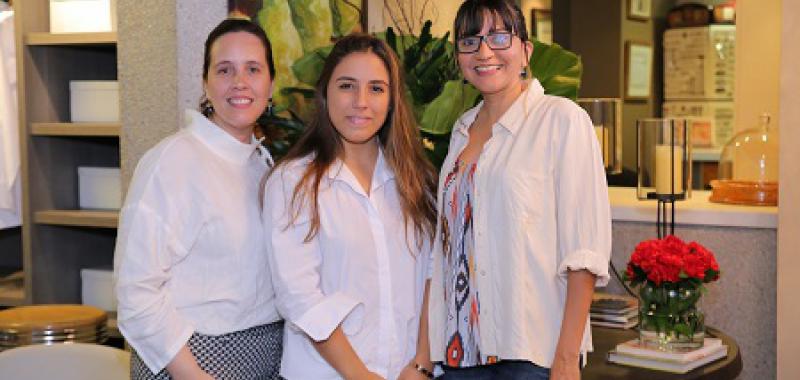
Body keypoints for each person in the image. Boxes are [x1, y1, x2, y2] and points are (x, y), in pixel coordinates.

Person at [427, 1, 612, 379]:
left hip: (533, 357)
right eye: (470, 41)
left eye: (499, 36)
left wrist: (565, 360)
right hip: (460, 355)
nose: (484, 52)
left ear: (526, 50)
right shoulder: (460, 132)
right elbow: (443, 251)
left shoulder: (562, 121)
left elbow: (584, 252)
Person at [114, 18, 282, 380]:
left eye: (253, 69)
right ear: (205, 83)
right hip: (191, 361)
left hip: (263, 356)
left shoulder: (263, 164)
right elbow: (135, 290)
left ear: (271, 83)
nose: (240, 82)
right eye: (225, 70)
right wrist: (192, 373)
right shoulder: (172, 161)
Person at [262, 34, 436, 380]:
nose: (361, 102)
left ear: (391, 100)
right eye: (346, 86)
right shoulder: (293, 182)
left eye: (376, 88)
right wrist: (361, 375)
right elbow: (299, 297)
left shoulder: (417, 181)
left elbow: (435, 276)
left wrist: (422, 364)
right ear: (325, 94)